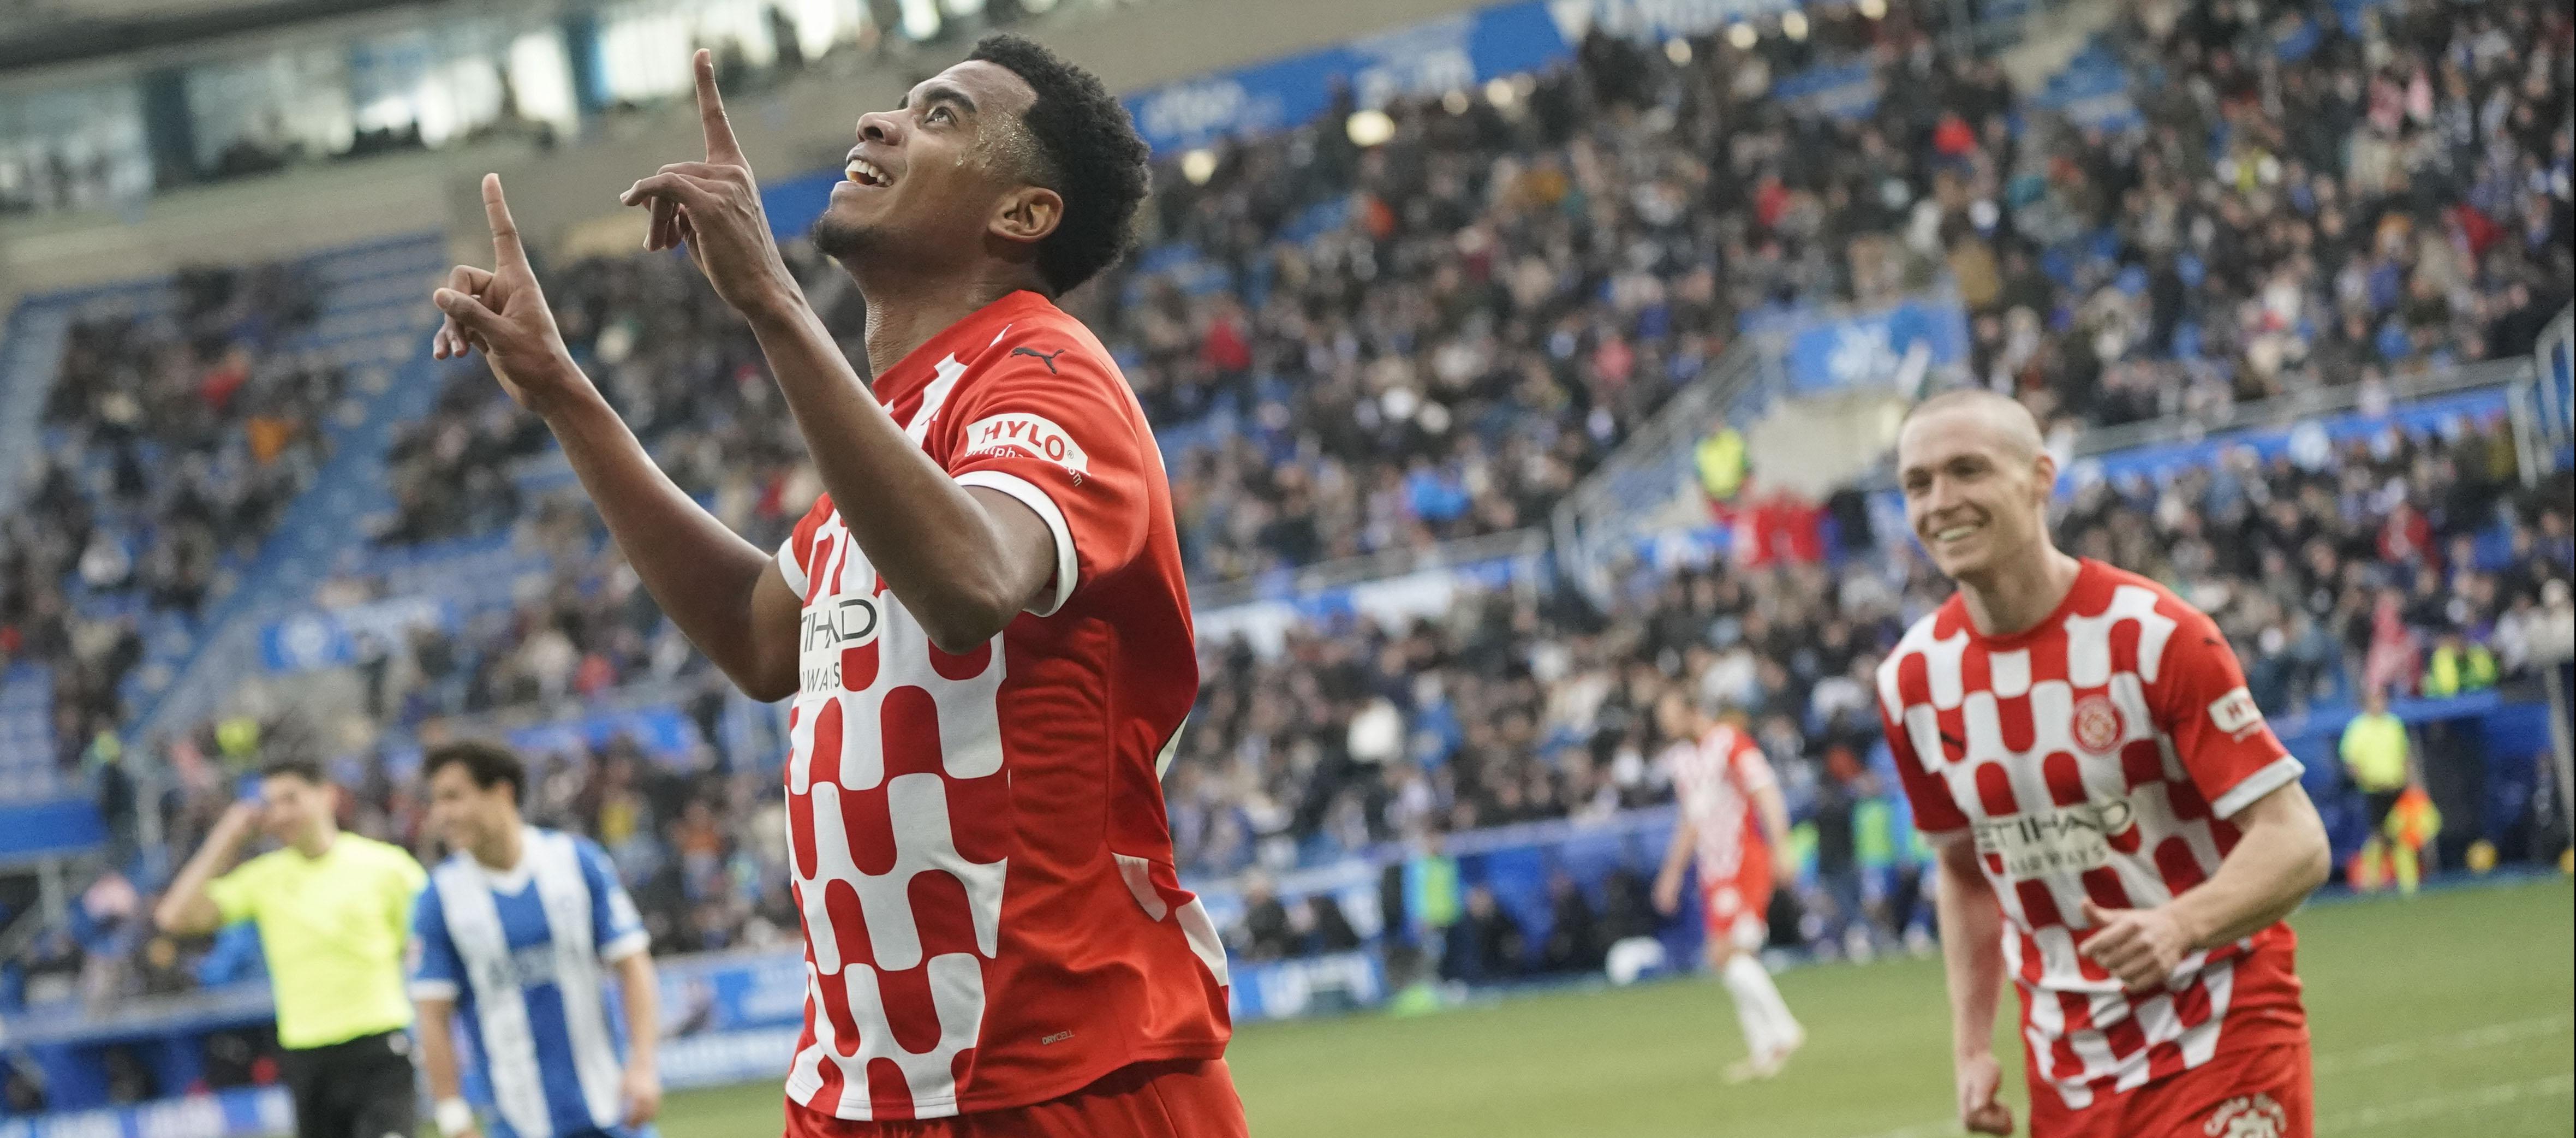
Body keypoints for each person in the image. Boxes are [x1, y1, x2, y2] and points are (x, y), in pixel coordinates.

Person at [427, 37, 1240, 1138]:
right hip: (858, 1087)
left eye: (941, 116)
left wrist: (771, 300)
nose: (878, 121)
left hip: (1060, 1073)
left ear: (1023, 214)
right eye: (899, 102)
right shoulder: (893, 433)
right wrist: (564, 393)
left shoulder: (1046, 372)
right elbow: (756, 635)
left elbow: (970, 585)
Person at [1875, 389, 2331, 1138]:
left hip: (2219, 1030)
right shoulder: (1912, 680)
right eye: (1917, 484)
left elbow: (2296, 839)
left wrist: (2181, 924)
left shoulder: (2155, 636)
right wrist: (1971, 1048)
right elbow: (1963, 870)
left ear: (2040, 478)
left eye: (1968, 470)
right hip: (2067, 1070)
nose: (1941, 501)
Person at [153, 755, 427, 1138]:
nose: (281, 813)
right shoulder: (264, 878)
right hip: (306, 1055)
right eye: (271, 803)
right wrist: (227, 837)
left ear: (327, 796)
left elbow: (423, 947)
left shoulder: (387, 867)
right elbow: (173, 917)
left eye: (291, 798)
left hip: (378, 1045)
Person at [408, 740, 663, 1138]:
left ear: (501, 792)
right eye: (435, 801)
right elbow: (432, 1014)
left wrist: (643, 1065)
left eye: (453, 797)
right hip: (516, 1124)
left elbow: (633, 963)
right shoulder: (438, 898)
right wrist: (454, 1115)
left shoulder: (577, 861)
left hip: (612, 1111)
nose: (441, 814)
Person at [1650, 693, 1803, 1081]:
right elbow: (1691, 821)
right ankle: (1766, 1047)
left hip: (1743, 861)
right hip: (1714, 870)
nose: (1665, 725)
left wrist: (1782, 847)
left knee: (1728, 953)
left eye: (1669, 715)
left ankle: (1783, 1031)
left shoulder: (1730, 742)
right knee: (1728, 958)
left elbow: (1766, 792)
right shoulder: (1683, 761)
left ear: (1692, 711)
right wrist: (1672, 872)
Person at [2338, 688, 2417, 895]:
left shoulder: (2394, 724)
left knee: (2402, 835)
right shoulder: (2358, 728)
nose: (2378, 704)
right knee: (2377, 835)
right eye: (2374, 700)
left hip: (2396, 787)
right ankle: (2372, 882)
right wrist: (2363, 779)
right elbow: (2350, 761)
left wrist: (2409, 781)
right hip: (2373, 790)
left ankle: (2409, 884)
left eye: (2381, 700)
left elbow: (2405, 755)